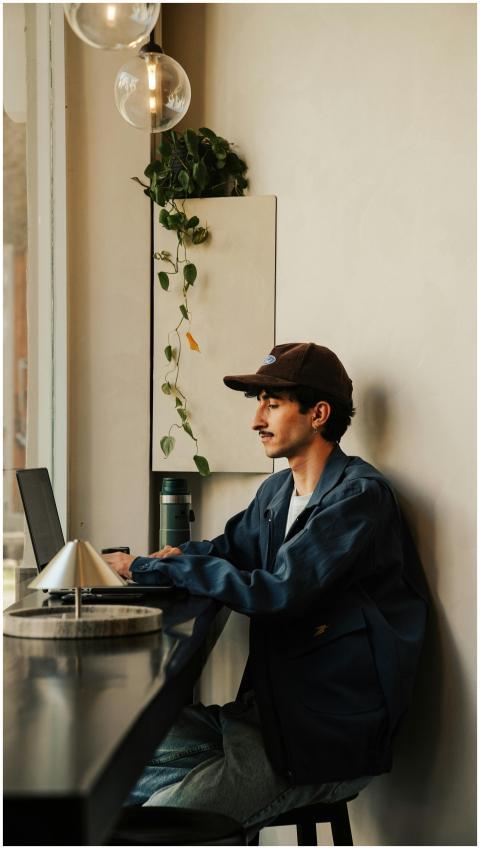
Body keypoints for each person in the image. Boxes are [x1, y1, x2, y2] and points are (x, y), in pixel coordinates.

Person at [105, 342, 429, 833]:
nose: (257, 419)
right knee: (115, 764)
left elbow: (278, 591)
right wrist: (146, 564)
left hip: (324, 737)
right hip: (266, 716)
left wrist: (163, 571)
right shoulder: (278, 492)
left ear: (318, 414)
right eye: (259, 403)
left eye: (271, 404)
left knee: (160, 826)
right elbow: (230, 550)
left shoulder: (359, 497)